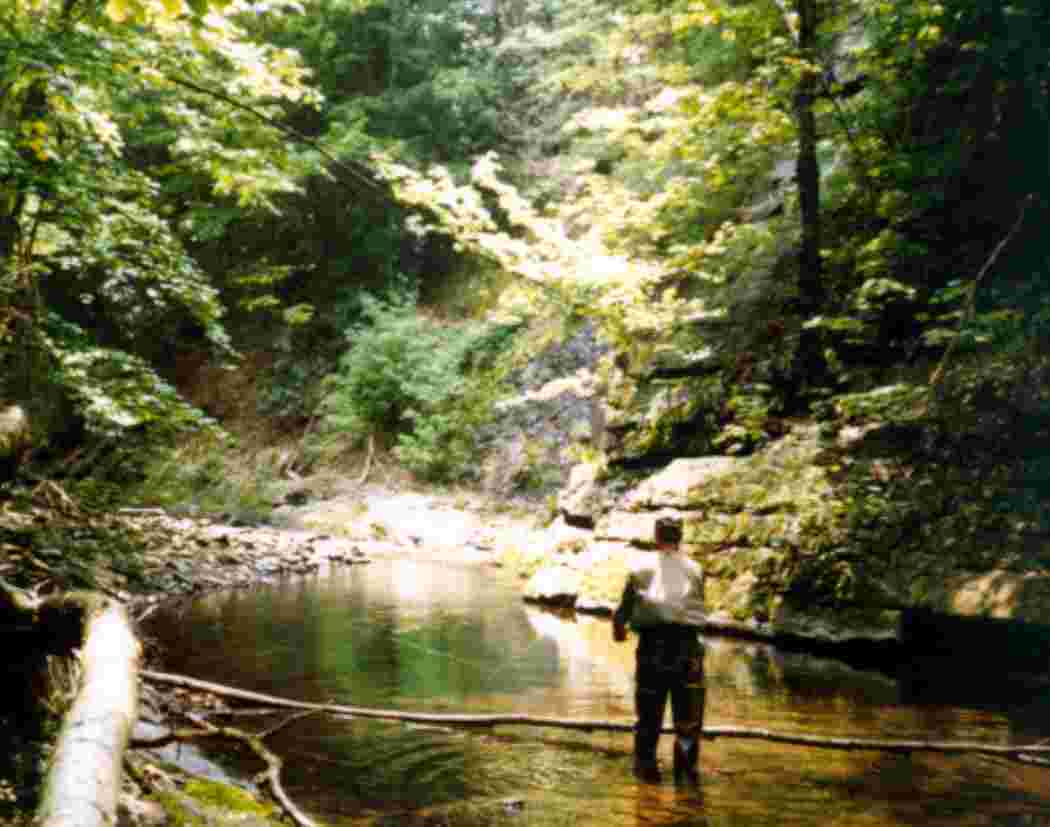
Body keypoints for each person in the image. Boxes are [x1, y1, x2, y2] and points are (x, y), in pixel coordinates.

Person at [613, 519, 706, 784]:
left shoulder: (639, 568)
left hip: (652, 649)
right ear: (680, 537)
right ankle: (686, 785)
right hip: (688, 649)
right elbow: (697, 605)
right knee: (687, 725)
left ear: (656, 536)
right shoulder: (696, 569)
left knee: (648, 719)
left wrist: (619, 631)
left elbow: (623, 611)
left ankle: (645, 781)